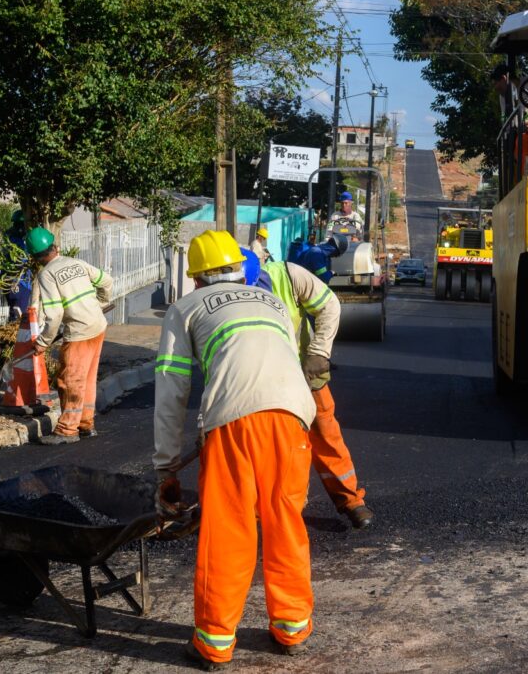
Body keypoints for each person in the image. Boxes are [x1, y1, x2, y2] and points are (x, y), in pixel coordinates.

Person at [154, 230, 317, 670]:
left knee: (229, 526)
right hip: (295, 413)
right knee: (285, 517)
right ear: (237, 268)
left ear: (198, 277)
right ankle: (292, 627)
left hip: (235, 418)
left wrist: (166, 466)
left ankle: (214, 642)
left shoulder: (184, 309)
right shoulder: (273, 302)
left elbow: (172, 388)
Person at [251, 238, 374, 530]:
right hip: (264, 377)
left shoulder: (289, 274)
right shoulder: (229, 297)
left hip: (306, 370)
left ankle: (350, 499)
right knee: (270, 442)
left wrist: (319, 352)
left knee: (325, 431)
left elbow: (329, 305)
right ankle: (266, 506)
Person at [25, 227, 113, 445]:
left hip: (80, 333)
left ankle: (66, 430)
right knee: (88, 378)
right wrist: (98, 304)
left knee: (70, 381)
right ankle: (86, 424)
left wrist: (42, 342)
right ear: (55, 247)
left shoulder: (47, 274)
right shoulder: (76, 263)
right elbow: (107, 281)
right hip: (98, 326)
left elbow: (54, 315)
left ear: (36, 257)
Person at [1, 210, 33, 321]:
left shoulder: (9, 236)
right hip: (19, 281)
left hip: (8, 279)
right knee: (19, 313)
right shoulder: (17, 239)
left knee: (14, 311)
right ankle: (18, 335)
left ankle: (15, 331)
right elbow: (22, 259)